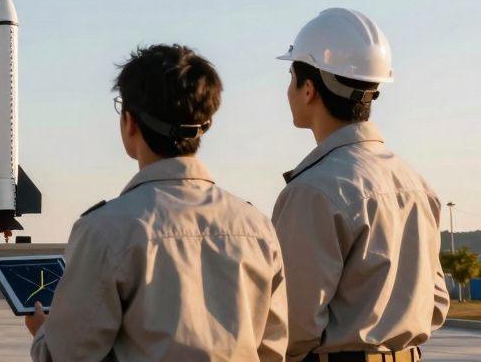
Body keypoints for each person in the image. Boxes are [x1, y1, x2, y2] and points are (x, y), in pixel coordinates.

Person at [26, 44, 288, 361]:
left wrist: (43, 332)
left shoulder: (103, 231)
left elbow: (67, 356)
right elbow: (273, 349)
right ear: (206, 123)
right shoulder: (256, 227)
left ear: (130, 122)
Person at [272, 8, 449, 362]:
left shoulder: (313, 191)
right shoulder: (415, 184)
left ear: (309, 89)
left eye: (292, 76)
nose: (288, 88)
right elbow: (437, 303)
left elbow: (293, 326)